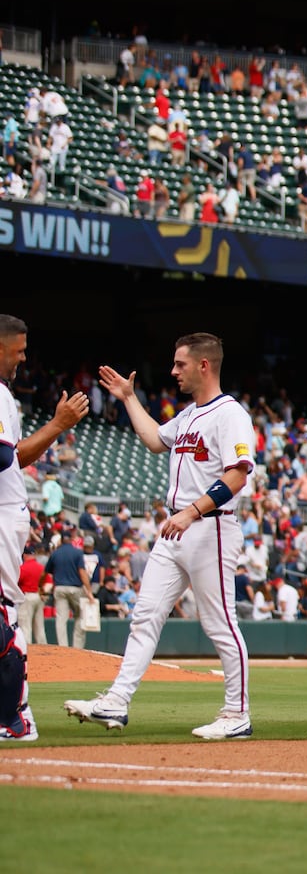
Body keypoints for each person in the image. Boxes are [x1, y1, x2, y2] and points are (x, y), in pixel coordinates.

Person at [67, 334, 256, 739]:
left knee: (220, 622)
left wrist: (192, 511)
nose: (173, 371)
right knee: (144, 615)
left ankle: (237, 713)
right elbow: (155, 440)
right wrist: (128, 398)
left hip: (211, 526)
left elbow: (238, 473)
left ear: (204, 365)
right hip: (177, 528)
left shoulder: (230, 414)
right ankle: (116, 702)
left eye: (180, 364)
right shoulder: (189, 415)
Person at [0, 314, 88, 741]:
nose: (23, 359)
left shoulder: (0, 394)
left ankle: (16, 717)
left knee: (1, 615)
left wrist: (57, 426)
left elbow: (6, 458)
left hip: (3, 513)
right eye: (18, 351)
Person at [45, 537, 92, 649]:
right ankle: (77, 647)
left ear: (61, 541)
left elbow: (45, 572)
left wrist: (40, 586)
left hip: (60, 588)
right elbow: (82, 573)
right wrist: (89, 591)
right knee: (80, 616)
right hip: (75, 589)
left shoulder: (55, 553)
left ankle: (63, 647)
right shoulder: (77, 552)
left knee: (61, 618)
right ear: (71, 541)